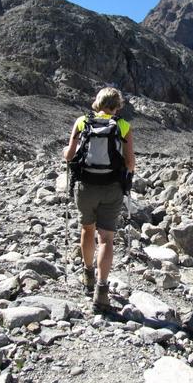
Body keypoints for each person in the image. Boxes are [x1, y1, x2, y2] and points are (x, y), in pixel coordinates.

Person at [62, 87, 135, 311]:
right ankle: (102, 291)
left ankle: (87, 275)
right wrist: (126, 179)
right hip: (111, 188)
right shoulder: (123, 126)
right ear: (117, 106)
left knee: (87, 230)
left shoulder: (82, 122)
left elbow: (69, 155)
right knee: (106, 239)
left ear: (97, 102)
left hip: (85, 186)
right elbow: (130, 162)